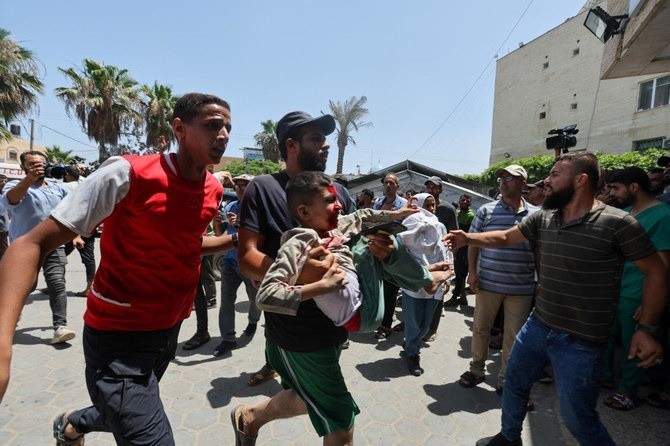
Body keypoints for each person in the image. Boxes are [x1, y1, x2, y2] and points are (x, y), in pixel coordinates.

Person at [0, 92, 237, 445]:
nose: (224, 135)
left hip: (168, 330)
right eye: (213, 125)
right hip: (118, 337)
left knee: (125, 410)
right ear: (179, 129)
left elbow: (187, 244)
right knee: (143, 426)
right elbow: (30, 244)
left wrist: (238, 240)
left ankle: (71, 424)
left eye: (228, 127)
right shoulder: (127, 173)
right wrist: (3, 343)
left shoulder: (213, 188)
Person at [448, 152, 666, 446]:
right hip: (538, 325)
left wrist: (647, 329)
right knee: (513, 381)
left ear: (580, 180)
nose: (546, 182)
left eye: (554, 175)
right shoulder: (544, 217)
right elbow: (505, 237)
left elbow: (657, 272)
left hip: (582, 340)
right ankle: (509, 437)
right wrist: (468, 238)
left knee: (577, 417)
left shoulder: (618, 223)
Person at [233, 111, 390, 445]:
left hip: (336, 324)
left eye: (325, 138)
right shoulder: (263, 189)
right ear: (291, 145)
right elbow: (246, 257)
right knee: (341, 426)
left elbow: (349, 244)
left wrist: (380, 249)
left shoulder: (338, 192)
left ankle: (249, 417)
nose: (326, 145)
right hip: (295, 331)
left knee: (306, 395)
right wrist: (298, 274)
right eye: (316, 138)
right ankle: (250, 418)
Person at [257, 171, 449, 335]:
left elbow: (361, 215)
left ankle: (422, 276)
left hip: (365, 301)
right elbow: (266, 295)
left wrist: (398, 214)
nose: (339, 205)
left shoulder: (334, 227)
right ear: (305, 212)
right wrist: (322, 286)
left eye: (337, 199)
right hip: (361, 315)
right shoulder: (299, 241)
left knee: (374, 238)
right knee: (369, 240)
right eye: (330, 200)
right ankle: (425, 279)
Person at [457, 164, 538, 394]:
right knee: (481, 329)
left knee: (513, 336)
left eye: (509, 178)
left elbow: (539, 249)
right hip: (488, 283)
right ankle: (476, 369)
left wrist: (539, 280)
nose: (503, 182)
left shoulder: (535, 215)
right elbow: (473, 243)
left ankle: (505, 379)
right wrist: (472, 273)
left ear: (523, 183)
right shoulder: (486, 211)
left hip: (521, 288)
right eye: (501, 178)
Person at [602, 167, 670, 411]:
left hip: (637, 293)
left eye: (615, 188)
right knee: (605, 337)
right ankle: (605, 377)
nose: (611, 193)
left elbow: (663, 267)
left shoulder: (662, 216)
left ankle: (627, 391)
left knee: (635, 343)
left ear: (634, 187)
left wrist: (648, 304)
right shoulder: (626, 213)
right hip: (615, 289)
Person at [2, 150, 74, 344]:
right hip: (24, 246)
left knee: (57, 282)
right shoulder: (14, 186)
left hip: (53, 244)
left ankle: (60, 326)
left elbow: (69, 211)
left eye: (41, 163)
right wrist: (29, 180)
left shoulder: (57, 188)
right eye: (32, 164)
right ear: (23, 167)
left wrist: (75, 235)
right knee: (23, 287)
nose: (38, 167)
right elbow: (11, 200)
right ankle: (9, 322)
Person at [398, 192, 452, 376]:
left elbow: (446, 250)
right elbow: (403, 249)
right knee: (413, 322)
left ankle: (410, 342)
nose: (431, 209)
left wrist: (447, 276)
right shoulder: (409, 224)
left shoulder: (440, 226)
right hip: (415, 281)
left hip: (436, 282)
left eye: (433, 205)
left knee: (426, 325)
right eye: (427, 205)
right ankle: (413, 354)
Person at [212, 173, 263, 357]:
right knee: (226, 301)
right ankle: (228, 338)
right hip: (229, 262)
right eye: (238, 185)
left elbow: (262, 236)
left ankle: (253, 321)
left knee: (255, 300)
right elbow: (219, 235)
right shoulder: (231, 206)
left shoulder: (260, 209)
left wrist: (241, 224)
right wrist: (217, 221)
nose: (240, 188)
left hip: (250, 264)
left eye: (245, 185)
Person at [422, 175, 458, 341]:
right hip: (422, 257)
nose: (431, 189)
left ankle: (432, 328)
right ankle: (413, 324)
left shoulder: (448, 209)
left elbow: (453, 238)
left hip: (440, 258)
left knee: (438, 293)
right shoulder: (420, 207)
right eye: (429, 186)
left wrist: (450, 266)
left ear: (441, 189)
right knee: (418, 292)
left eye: (435, 187)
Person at [371, 172, 407, 340]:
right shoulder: (378, 202)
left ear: (397, 186)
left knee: (390, 289)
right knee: (377, 287)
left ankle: (386, 326)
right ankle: (377, 319)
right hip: (375, 249)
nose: (388, 185)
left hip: (393, 251)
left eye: (392, 183)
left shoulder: (403, 204)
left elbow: (407, 227)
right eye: (386, 182)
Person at [62, 165, 97, 297]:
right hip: (87, 226)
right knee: (87, 258)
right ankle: (89, 288)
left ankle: (56, 284)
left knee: (58, 257)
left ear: (66, 174)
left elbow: (75, 210)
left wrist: (76, 234)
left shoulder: (66, 187)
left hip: (73, 227)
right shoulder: (87, 183)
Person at [444, 194, 475, 307]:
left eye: (467, 200)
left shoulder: (471, 216)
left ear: (470, 203)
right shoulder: (456, 213)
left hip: (465, 248)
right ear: (459, 201)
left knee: (461, 273)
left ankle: (455, 296)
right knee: (459, 273)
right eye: (463, 200)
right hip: (455, 246)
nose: (464, 202)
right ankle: (462, 296)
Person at [0, 174, 8, 260]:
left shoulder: (6, 195)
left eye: (6, 181)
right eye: (1, 181)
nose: (4, 183)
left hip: (3, 228)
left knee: (4, 251)